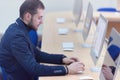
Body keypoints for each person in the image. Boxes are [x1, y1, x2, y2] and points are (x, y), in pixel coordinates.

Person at [0, 0, 85, 80]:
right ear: (28, 16)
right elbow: (34, 68)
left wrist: (62, 59)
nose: (42, 22)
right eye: (39, 18)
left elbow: (37, 54)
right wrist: (67, 69)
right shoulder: (17, 37)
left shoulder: (19, 29)